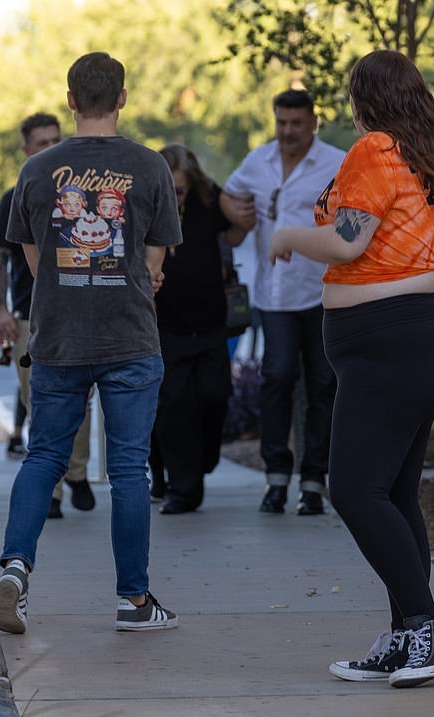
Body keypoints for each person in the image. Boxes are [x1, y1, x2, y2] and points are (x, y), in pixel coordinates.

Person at [269, 50, 434, 687]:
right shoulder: (433, 151)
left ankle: (427, 629)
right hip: (421, 339)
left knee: (352, 489)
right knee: (394, 495)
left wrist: (288, 237)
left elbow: (348, 241)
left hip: (389, 345)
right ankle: (406, 637)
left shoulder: (376, 148)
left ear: (361, 97)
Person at [0, 52, 181, 635]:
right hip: (129, 337)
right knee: (128, 469)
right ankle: (134, 601)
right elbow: (154, 260)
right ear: (122, 97)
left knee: (44, 456)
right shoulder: (150, 168)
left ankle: (17, 571)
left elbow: (34, 259)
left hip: (58, 339)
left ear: (71, 101)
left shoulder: (35, 171)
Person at [220, 89, 345, 516]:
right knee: (277, 376)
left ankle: (313, 480)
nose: (288, 131)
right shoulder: (258, 161)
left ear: (314, 121)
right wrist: (238, 215)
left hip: (323, 289)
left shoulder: (337, 163)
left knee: (322, 384)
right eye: (281, 122)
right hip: (273, 292)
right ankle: (276, 478)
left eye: (296, 122)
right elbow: (228, 194)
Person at [0, 112, 95, 520]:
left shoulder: (80, 198)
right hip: (32, 319)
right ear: (27, 149)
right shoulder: (15, 197)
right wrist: (1, 311)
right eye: (41, 143)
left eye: (56, 141)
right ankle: (52, 491)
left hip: (81, 314)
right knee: (41, 405)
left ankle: (77, 472)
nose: (50, 149)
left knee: (80, 402)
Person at [148, 144, 245, 514]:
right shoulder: (149, 209)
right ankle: (184, 489)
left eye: (180, 190)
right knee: (174, 407)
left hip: (209, 325)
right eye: (169, 190)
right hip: (167, 327)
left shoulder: (209, 201)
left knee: (215, 395)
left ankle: (201, 462)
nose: (175, 196)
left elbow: (238, 224)